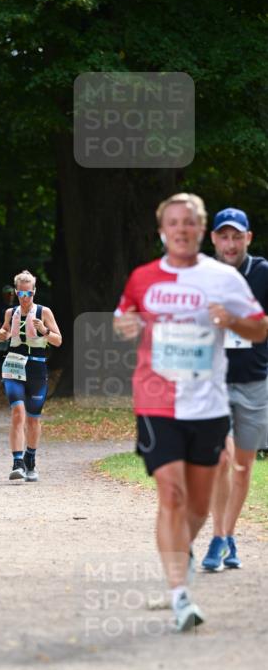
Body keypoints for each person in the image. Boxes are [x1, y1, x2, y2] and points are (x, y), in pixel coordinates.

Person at [114, 192, 267, 632]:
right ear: (163, 230)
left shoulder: (224, 279)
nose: (182, 229)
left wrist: (232, 321)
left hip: (208, 405)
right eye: (173, 222)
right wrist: (124, 324)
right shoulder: (143, 277)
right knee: (172, 495)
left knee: (198, 505)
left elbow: (260, 328)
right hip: (156, 400)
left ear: (201, 231)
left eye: (189, 223)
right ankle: (179, 592)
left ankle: (184, 556)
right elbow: (123, 317)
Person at [201, 208, 268, 571]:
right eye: (223, 236)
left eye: (236, 236)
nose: (230, 243)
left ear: (248, 238)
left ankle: (228, 535)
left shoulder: (262, 273)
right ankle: (217, 538)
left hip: (255, 382)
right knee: (221, 459)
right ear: (213, 238)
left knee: (242, 468)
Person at [0, 271, 62, 482]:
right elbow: (3, 332)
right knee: (17, 412)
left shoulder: (44, 312)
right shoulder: (10, 312)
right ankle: (17, 462)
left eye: (29, 292)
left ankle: (30, 457)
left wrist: (44, 331)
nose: (25, 297)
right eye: (21, 293)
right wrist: (1, 334)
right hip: (14, 364)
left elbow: (58, 340)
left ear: (34, 291)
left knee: (33, 419)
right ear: (16, 292)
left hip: (36, 368)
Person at [0, 285, 16, 383]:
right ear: (4, 295)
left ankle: (5, 379)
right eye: (7, 294)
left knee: (9, 358)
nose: (10, 296)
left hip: (11, 339)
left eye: (11, 294)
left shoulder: (17, 308)